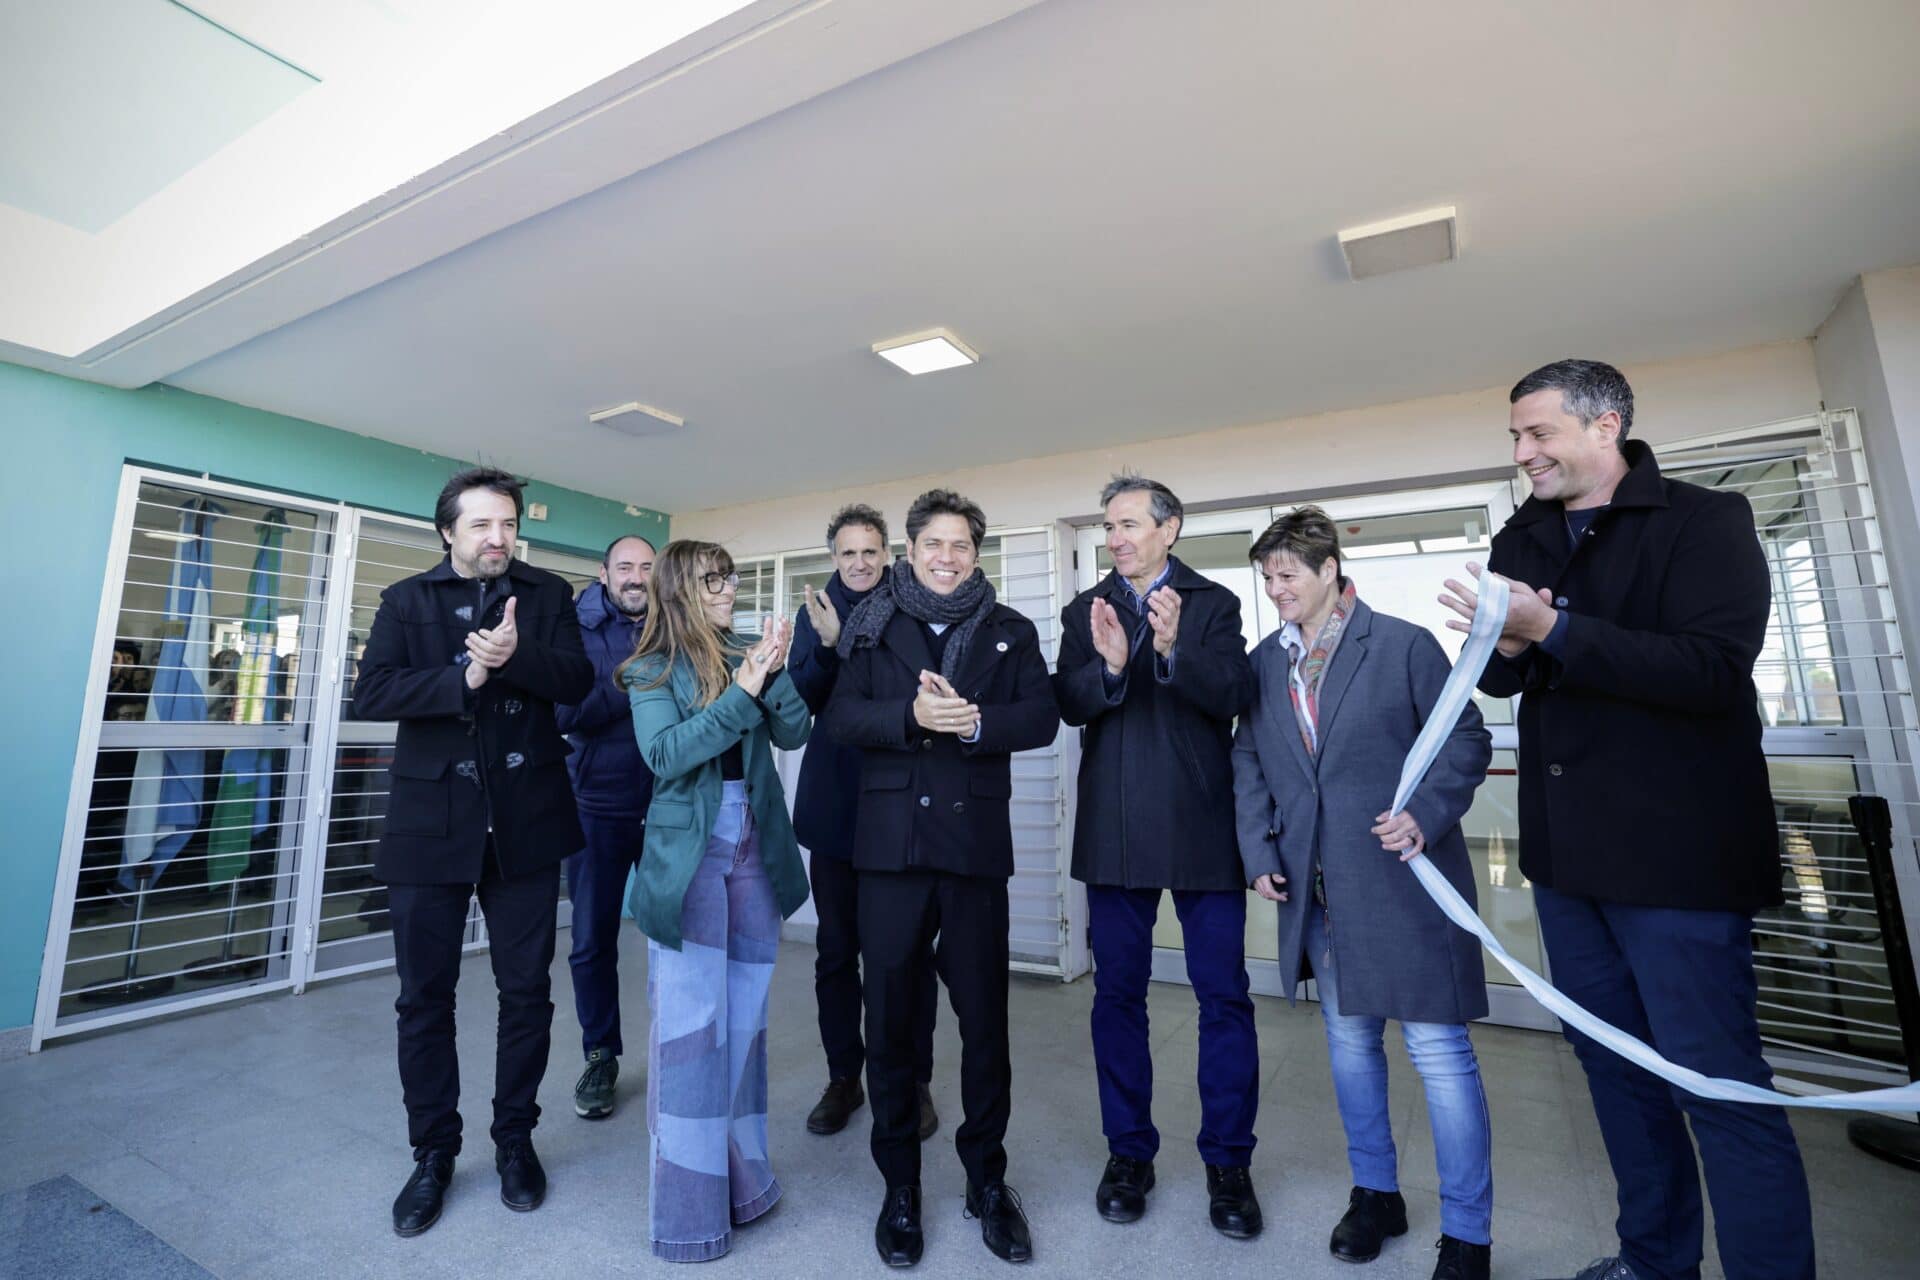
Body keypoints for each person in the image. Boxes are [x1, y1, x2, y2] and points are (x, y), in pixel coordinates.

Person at [1441, 359, 1814, 1280]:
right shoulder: (1523, 535)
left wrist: (1552, 630)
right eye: (1515, 436)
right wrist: (1503, 638)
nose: (1523, 453)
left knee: (1720, 1089)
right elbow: (1508, 678)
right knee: (1616, 1073)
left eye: (1539, 433)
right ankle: (1653, 1263)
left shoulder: (1703, 520)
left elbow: (1711, 671)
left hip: (1677, 860)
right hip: (1568, 864)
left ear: (1605, 425)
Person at [1234, 505, 1495, 1280]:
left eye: (1287, 574)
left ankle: (1469, 1234)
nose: (1276, 589)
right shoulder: (1264, 663)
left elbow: (1466, 737)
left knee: (1438, 1054)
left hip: (1403, 882)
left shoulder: (1403, 646)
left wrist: (1425, 813)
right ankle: (1376, 1194)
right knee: (1350, 1046)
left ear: (1330, 571)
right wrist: (1258, 851)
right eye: (1267, 577)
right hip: (1318, 893)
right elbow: (1249, 760)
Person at [353, 466, 592, 1237]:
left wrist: (514, 656)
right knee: (424, 998)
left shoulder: (548, 594)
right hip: (431, 825)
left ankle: (515, 1139)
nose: (499, 537)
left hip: (526, 822)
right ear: (447, 532)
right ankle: (433, 1153)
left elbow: (577, 681)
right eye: (482, 524)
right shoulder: (406, 600)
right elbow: (374, 693)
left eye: (509, 524)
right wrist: (469, 672)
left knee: (527, 993)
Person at [825, 488, 1060, 1268]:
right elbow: (841, 718)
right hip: (890, 852)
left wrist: (980, 722)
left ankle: (987, 1182)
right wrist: (911, 717)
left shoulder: (1009, 628)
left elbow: (1042, 716)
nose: (947, 557)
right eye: (934, 544)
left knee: (985, 1025)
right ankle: (900, 1187)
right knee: (890, 1025)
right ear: (911, 551)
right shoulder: (872, 626)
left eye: (961, 545)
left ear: (975, 554)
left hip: (972, 853)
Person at [1054, 474, 1261, 1236]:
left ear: (1170, 529)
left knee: (1223, 999)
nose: (1115, 538)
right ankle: (1128, 1154)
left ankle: (1229, 1163)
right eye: (1109, 526)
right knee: (1117, 998)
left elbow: (1235, 692)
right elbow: (1066, 702)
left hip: (1203, 829)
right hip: (1114, 832)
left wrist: (1173, 650)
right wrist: (1110, 669)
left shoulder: (1214, 604)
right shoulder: (1086, 610)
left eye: (1130, 524)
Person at [621, 540, 812, 1262]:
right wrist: (743, 691)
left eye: (730, 579)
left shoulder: (746, 653)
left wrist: (772, 669)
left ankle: (744, 1185)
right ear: (679, 590)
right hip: (689, 854)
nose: (729, 590)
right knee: (691, 1028)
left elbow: (796, 729)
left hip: (755, 844)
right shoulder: (651, 668)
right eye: (713, 581)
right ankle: (688, 1219)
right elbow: (667, 755)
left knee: (745, 1021)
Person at [787, 504, 940, 1140]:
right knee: (836, 953)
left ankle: (912, 1080)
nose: (859, 563)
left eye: (870, 551)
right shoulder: (815, 613)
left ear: (888, 555)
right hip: (837, 807)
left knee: (906, 955)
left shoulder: (913, 606)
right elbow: (804, 698)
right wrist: (828, 646)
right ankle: (843, 1077)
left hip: (901, 803)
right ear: (834, 558)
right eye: (848, 553)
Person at [554, 534, 657, 1120]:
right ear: (603, 573)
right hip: (595, 803)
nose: (636, 577)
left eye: (646, 567)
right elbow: (563, 713)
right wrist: (631, 682)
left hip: (668, 803)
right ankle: (600, 1055)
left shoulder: (674, 621)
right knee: (592, 939)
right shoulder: (573, 628)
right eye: (625, 567)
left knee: (680, 931)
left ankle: (682, 1047)